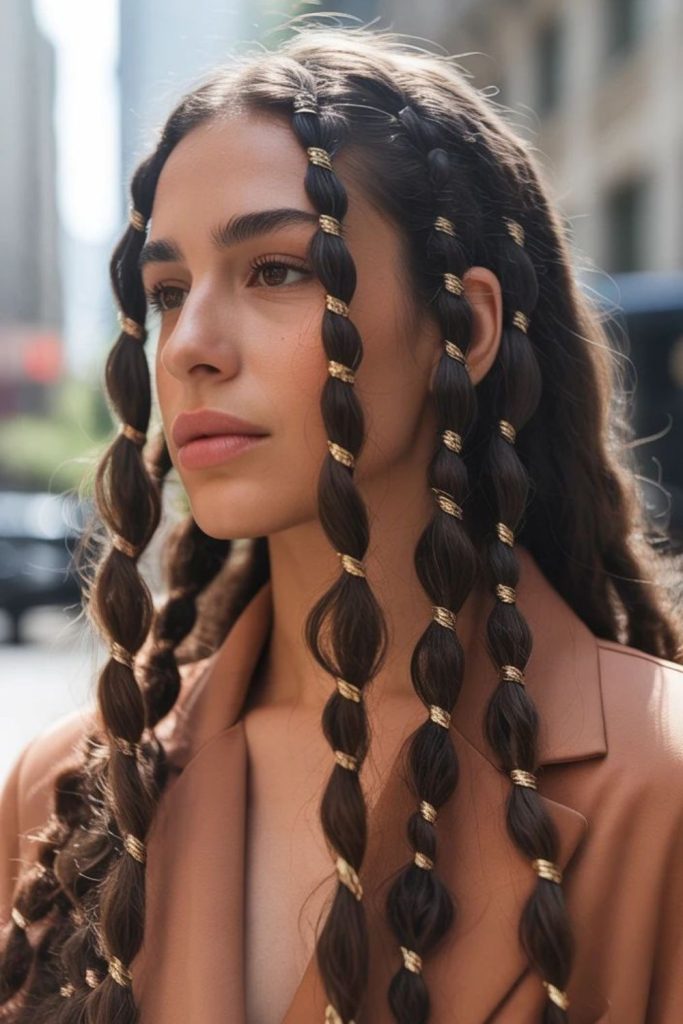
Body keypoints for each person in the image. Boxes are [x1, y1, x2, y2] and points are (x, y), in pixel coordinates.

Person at [1, 23, 682, 1024]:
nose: (188, 345)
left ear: (468, 324)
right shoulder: (65, 787)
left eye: (277, 269)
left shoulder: (655, 788)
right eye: (166, 291)